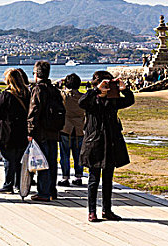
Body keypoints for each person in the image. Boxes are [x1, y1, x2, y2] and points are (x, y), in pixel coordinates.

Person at [79, 71, 134, 222]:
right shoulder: (91, 100)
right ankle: (92, 211)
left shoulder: (113, 100)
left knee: (108, 179)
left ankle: (107, 210)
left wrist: (124, 89)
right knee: (93, 179)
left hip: (110, 142)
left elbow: (129, 101)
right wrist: (97, 90)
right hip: (94, 143)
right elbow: (81, 102)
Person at [27, 60, 64, 202]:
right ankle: (51, 190)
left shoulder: (38, 89)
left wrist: (30, 131)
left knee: (41, 162)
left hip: (41, 131)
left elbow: (34, 111)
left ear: (36, 74)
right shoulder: (53, 89)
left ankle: (43, 191)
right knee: (52, 162)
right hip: (54, 130)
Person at [0, 69, 30, 193]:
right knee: (19, 159)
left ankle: (8, 184)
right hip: (22, 130)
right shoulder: (27, 94)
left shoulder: (6, 95)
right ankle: (19, 184)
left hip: (7, 131)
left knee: (8, 158)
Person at [58, 73, 85, 187]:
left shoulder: (63, 95)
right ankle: (78, 176)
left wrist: (60, 82)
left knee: (65, 154)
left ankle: (65, 177)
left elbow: (56, 87)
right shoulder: (83, 97)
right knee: (78, 154)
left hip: (66, 127)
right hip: (79, 128)